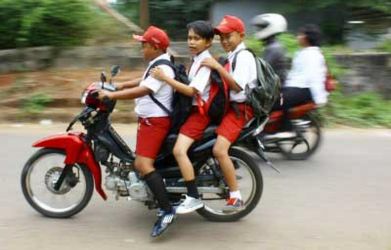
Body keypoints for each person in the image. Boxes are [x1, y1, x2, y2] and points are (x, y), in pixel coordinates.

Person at [98, 26, 176, 237]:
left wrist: (112, 96)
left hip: (155, 122)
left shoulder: (164, 68)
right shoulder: (157, 63)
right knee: (138, 160)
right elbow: (142, 81)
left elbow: (145, 89)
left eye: (144, 45)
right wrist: (120, 85)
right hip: (148, 121)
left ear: (155, 46)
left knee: (143, 164)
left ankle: (167, 210)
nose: (141, 48)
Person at [150, 20, 215, 214]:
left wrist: (165, 78)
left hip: (198, 115)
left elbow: (191, 91)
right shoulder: (195, 60)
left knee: (179, 150)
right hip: (189, 111)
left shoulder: (205, 64)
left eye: (197, 38)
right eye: (189, 38)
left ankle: (193, 196)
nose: (192, 42)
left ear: (209, 42)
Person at [201, 15, 257, 212]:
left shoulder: (244, 56)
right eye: (221, 37)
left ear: (241, 35)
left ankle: (235, 196)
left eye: (228, 36)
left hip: (239, 111)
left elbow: (236, 85)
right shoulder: (234, 55)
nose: (224, 41)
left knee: (219, 150)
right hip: (231, 108)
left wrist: (217, 66)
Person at [270, 24, 328, 138]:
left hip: (304, 89)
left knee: (276, 100)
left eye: (300, 34)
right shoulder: (304, 52)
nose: (298, 37)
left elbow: (314, 77)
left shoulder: (313, 55)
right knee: (272, 94)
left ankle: (286, 128)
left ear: (307, 38)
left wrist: (319, 98)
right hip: (297, 87)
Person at [251, 13, 289, 85]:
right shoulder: (273, 45)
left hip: (275, 90)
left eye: (262, 27)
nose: (258, 30)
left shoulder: (273, 48)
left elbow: (262, 71)